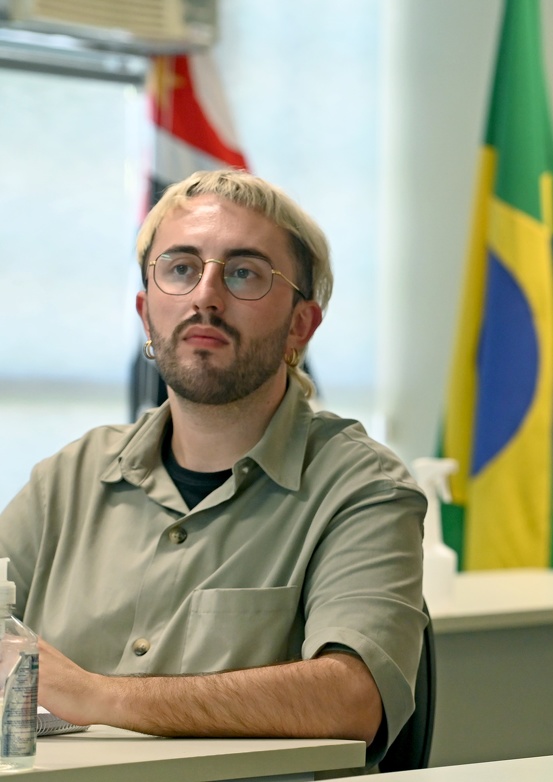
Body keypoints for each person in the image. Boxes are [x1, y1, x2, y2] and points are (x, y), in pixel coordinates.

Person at [0, 170, 426, 768]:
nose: (206, 295)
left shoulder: (363, 490)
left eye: (244, 272)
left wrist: (93, 695)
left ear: (300, 326)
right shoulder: (67, 479)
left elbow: (352, 699)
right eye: (180, 268)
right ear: (148, 315)